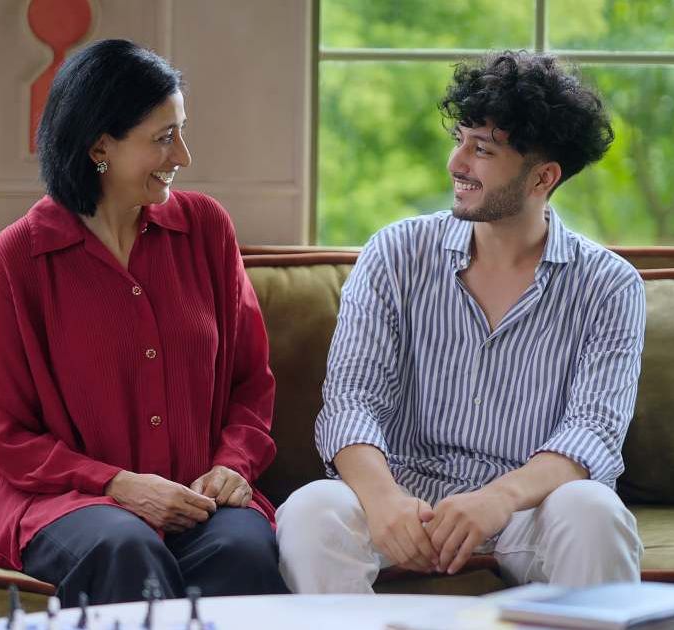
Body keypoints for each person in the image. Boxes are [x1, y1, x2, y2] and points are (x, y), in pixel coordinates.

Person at [0, 39, 288, 604]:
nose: (182, 156)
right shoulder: (20, 258)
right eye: (164, 138)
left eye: (181, 131)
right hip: (66, 500)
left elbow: (250, 382)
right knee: (123, 546)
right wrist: (116, 485)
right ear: (100, 148)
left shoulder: (207, 230)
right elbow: (8, 434)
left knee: (242, 548)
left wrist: (231, 465)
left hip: (197, 497)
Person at [276, 50, 646, 593]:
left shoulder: (610, 285)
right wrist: (384, 502)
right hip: (402, 497)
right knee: (311, 511)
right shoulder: (395, 253)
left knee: (594, 511)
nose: (456, 162)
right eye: (460, 140)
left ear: (543, 177)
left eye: (482, 149)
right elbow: (351, 402)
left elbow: (592, 432)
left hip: (529, 509)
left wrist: (498, 497)